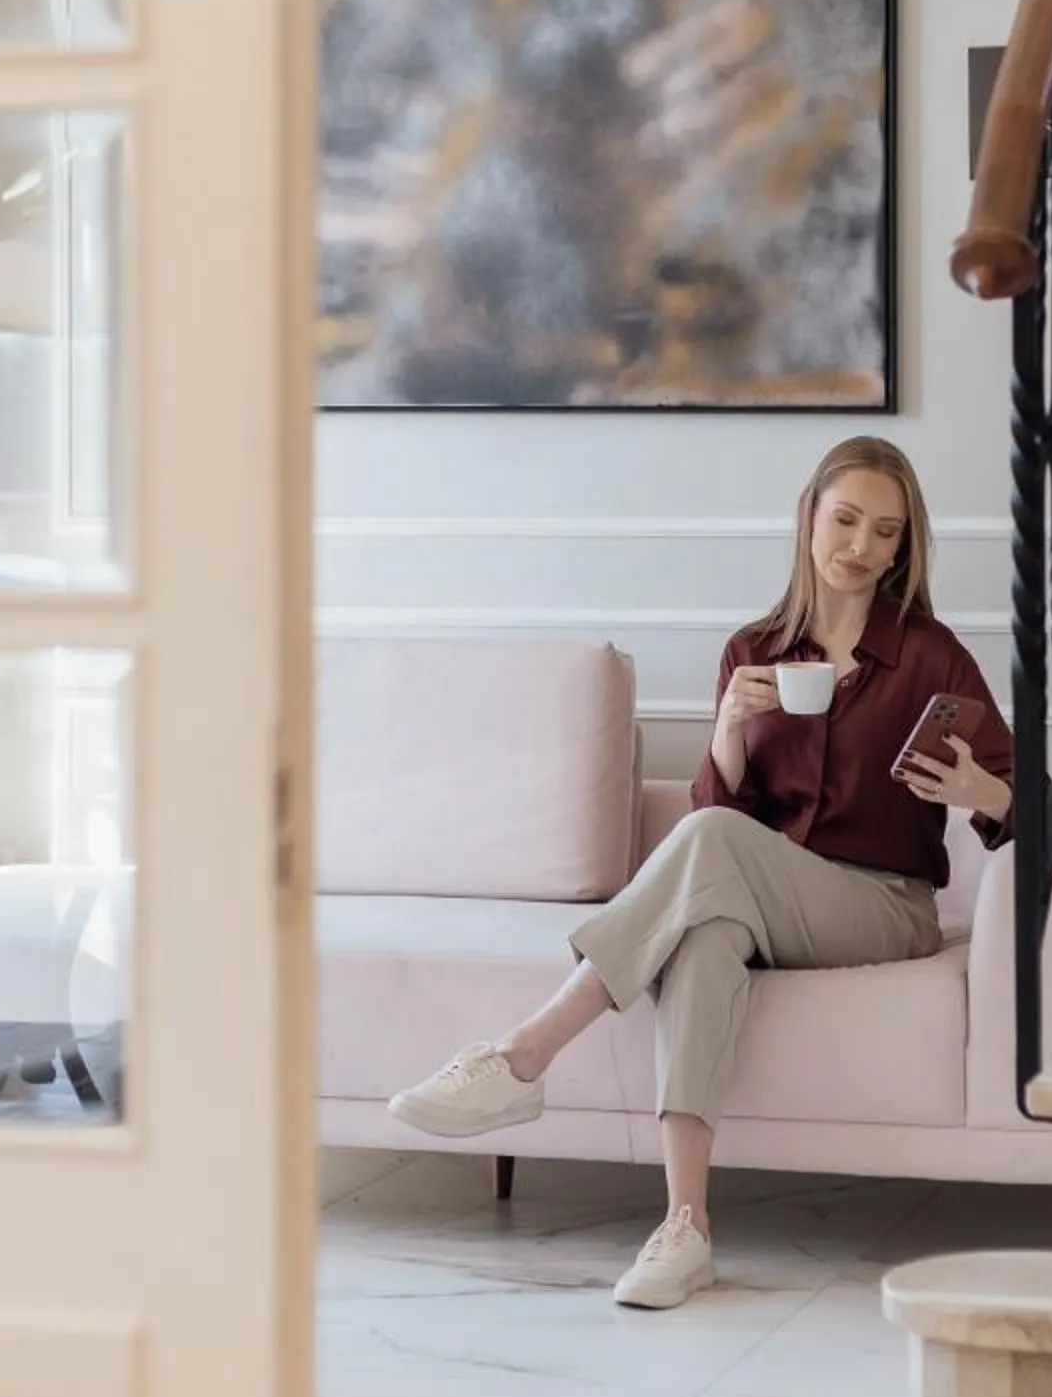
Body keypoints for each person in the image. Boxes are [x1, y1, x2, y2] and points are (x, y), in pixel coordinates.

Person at [384, 436, 1019, 1309]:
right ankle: (686, 1227)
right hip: (759, 899)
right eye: (845, 520)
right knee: (706, 938)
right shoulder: (752, 648)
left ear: (904, 548)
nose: (861, 547)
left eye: (885, 532)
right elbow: (717, 808)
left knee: (714, 849)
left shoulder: (929, 656)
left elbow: (1022, 803)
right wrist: (725, 729)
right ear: (808, 519)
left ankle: (523, 1056)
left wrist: (978, 786)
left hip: (882, 904)